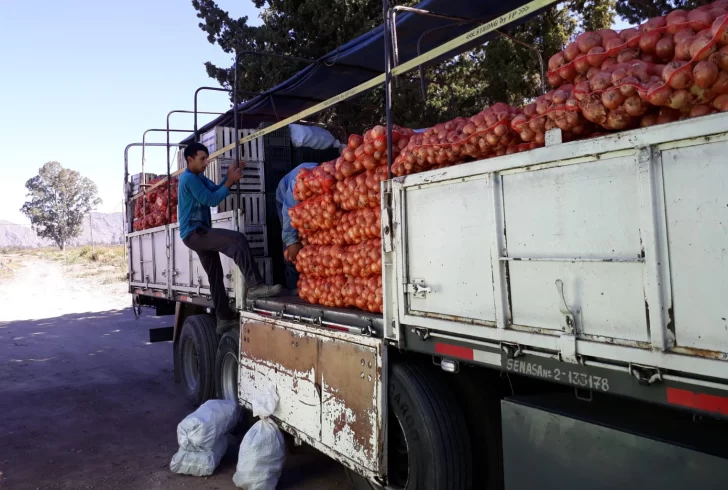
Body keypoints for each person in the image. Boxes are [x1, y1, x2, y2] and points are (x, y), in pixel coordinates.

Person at [179, 142, 282, 333]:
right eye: (202, 159)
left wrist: (230, 177)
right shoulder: (188, 179)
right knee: (238, 240)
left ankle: (224, 319)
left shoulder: (199, 177)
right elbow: (211, 200)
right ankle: (255, 286)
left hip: (195, 233)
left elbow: (217, 189)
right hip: (194, 233)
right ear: (189, 159)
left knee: (215, 276)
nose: (206, 163)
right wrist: (230, 180)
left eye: (207, 159)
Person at [275, 162, 318, 291]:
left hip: (309, 202)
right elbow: (289, 210)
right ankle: (293, 286)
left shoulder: (327, 182)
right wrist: (291, 241)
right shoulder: (298, 182)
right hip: (284, 199)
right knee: (292, 247)